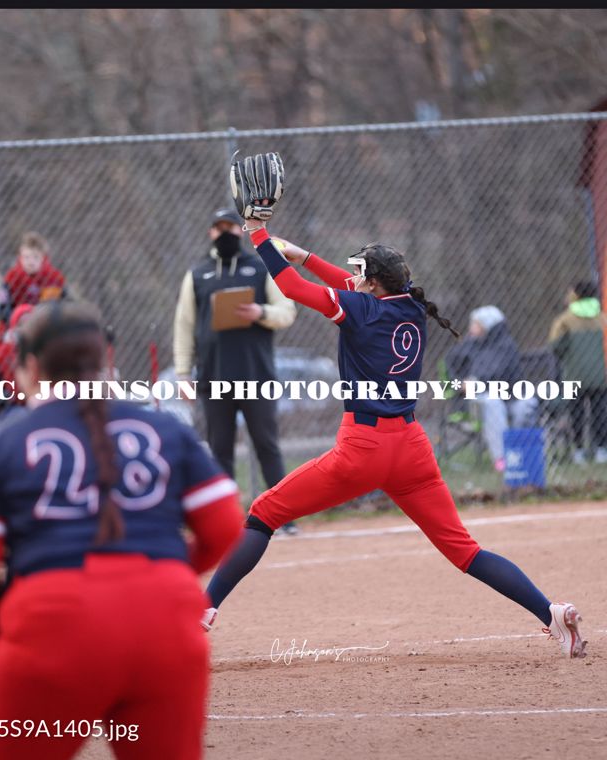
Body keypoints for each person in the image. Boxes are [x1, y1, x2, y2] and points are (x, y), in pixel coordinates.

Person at [202, 152, 587, 663]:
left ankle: (200, 612)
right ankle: (552, 613)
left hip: (362, 448)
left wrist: (257, 233)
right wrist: (302, 253)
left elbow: (295, 290)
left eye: (362, 273)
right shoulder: (410, 308)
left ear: (374, 284)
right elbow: (348, 283)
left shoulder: (361, 305)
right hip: (411, 448)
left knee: (262, 514)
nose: (354, 278)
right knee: (466, 552)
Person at [0, 300, 243, 760]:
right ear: (104, 360)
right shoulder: (163, 429)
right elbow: (224, 527)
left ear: (30, 367)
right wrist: (165, 572)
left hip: (54, 631)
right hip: (165, 629)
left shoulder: (1, 443)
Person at [174, 207, 299, 534]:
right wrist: (183, 374)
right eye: (219, 228)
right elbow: (184, 326)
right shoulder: (198, 274)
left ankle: (283, 518)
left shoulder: (259, 268)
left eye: (230, 227)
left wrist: (259, 311)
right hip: (214, 377)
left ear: (240, 231)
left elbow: (287, 312)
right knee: (220, 450)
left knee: (266, 445)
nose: (225, 232)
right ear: (210, 233)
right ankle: (225, 522)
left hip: (256, 376)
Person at [445, 305, 538, 472]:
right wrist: (461, 383)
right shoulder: (469, 345)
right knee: (492, 402)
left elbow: (503, 376)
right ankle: (502, 459)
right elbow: (452, 371)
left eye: (476, 324)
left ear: (488, 326)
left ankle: (520, 451)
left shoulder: (506, 346)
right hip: (479, 400)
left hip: (510, 397)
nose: (471, 328)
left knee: (526, 404)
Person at [548, 280, 607, 464]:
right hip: (600, 376)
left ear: (575, 295)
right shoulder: (602, 318)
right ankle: (601, 450)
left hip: (574, 376)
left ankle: (580, 449)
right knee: (600, 412)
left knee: (577, 414)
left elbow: (556, 347)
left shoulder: (565, 320)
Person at [0, 231, 67, 346]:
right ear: (20, 257)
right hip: (14, 325)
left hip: (44, 326)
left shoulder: (53, 279)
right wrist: (16, 322)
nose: (30, 261)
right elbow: (2, 308)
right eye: (26, 257)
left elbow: (52, 306)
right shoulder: (10, 278)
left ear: (43, 258)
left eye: (35, 257)